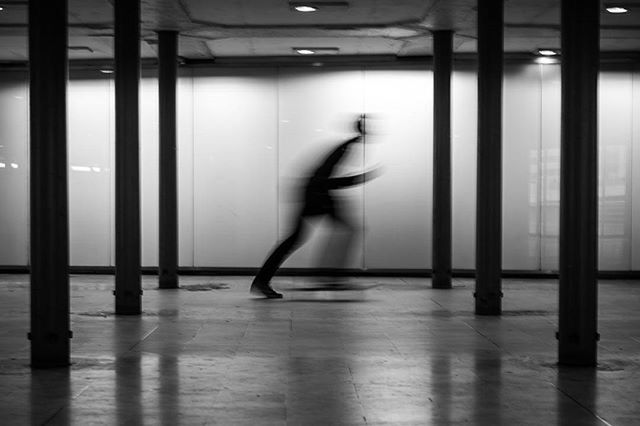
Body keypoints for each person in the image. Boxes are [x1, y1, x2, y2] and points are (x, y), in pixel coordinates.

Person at [251, 114, 381, 298]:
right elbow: (326, 179)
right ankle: (330, 275)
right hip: (316, 196)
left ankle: (264, 281)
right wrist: (361, 178)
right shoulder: (345, 148)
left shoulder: (347, 146)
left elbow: (325, 177)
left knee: (297, 238)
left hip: (316, 194)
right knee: (347, 229)